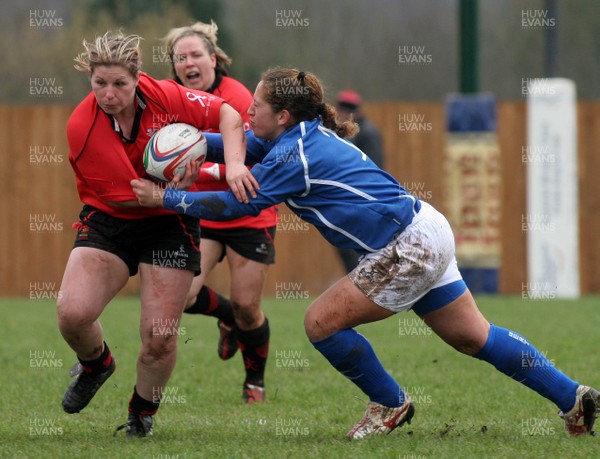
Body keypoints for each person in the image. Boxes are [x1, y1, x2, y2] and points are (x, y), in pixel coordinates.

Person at [132, 67, 599, 439]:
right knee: (473, 337)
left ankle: (390, 402)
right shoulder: (298, 135)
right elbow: (244, 145)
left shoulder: (295, 156)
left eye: (255, 107)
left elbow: (238, 204)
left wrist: (166, 198)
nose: (247, 112)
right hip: (425, 226)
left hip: (407, 246)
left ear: (284, 116)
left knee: (319, 323)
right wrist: (192, 144)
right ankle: (572, 396)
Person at [57, 29, 251, 438]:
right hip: (111, 218)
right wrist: (169, 190)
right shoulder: (82, 127)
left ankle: (140, 417)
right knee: (73, 314)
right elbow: (135, 196)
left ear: (137, 77)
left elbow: (229, 116)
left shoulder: (165, 94)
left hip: (168, 224)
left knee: (160, 336)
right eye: (99, 84)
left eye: (119, 84)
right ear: (90, 80)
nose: (109, 94)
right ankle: (96, 363)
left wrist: (233, 165)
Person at [162, 20, 277, 403]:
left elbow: (253, 159)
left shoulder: (239, 97)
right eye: (182, 57)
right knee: (185, 297)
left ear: (213, 59)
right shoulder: (171, 101)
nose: (189, 62)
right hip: (204, 213)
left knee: (248, 307)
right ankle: (225, 318)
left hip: (248, 212)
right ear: (175, 66)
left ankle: (254, 382)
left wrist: (207, 167)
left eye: (196, 54)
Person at [334, 89, 385, 273]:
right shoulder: (342, 132)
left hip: (359, 205)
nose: (342, 113)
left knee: (357, 259)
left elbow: (374, 168)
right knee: (348, 256)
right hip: (345, 204)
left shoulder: (368, 133)